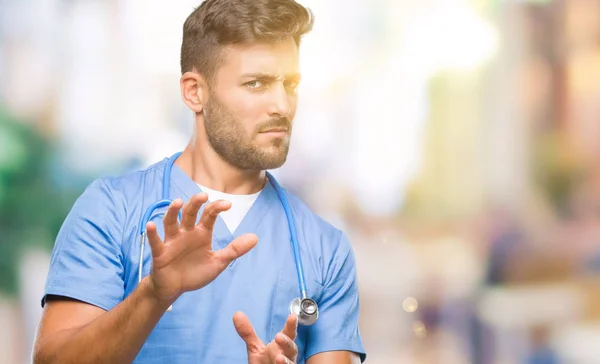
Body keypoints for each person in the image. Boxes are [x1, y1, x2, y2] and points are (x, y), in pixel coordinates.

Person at [32, 0, 366, 363]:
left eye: (291, 83)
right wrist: (155, 293)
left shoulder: (324, 248)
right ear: (194, 92)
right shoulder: (110, 210)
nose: (283, 105)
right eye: (256, 84)